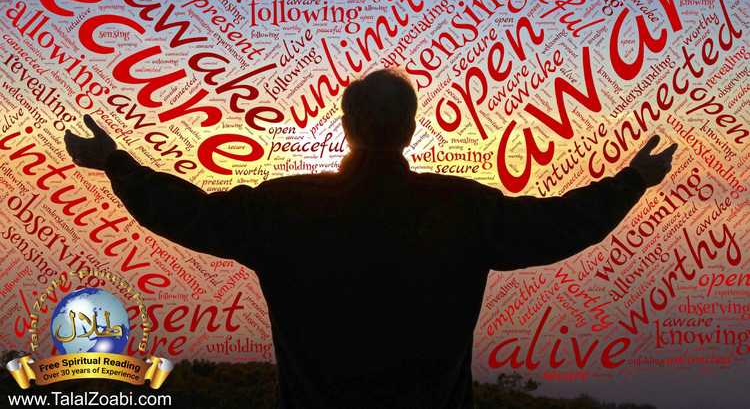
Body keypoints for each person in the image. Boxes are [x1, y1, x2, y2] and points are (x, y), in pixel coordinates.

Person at [65, 69, 676, 409]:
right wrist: (631, 182)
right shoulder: (463, 209)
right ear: (412, 128)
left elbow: (187, 212)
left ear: (346, 125)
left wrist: (118, 164)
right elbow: (559, 227)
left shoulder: (286, 208)